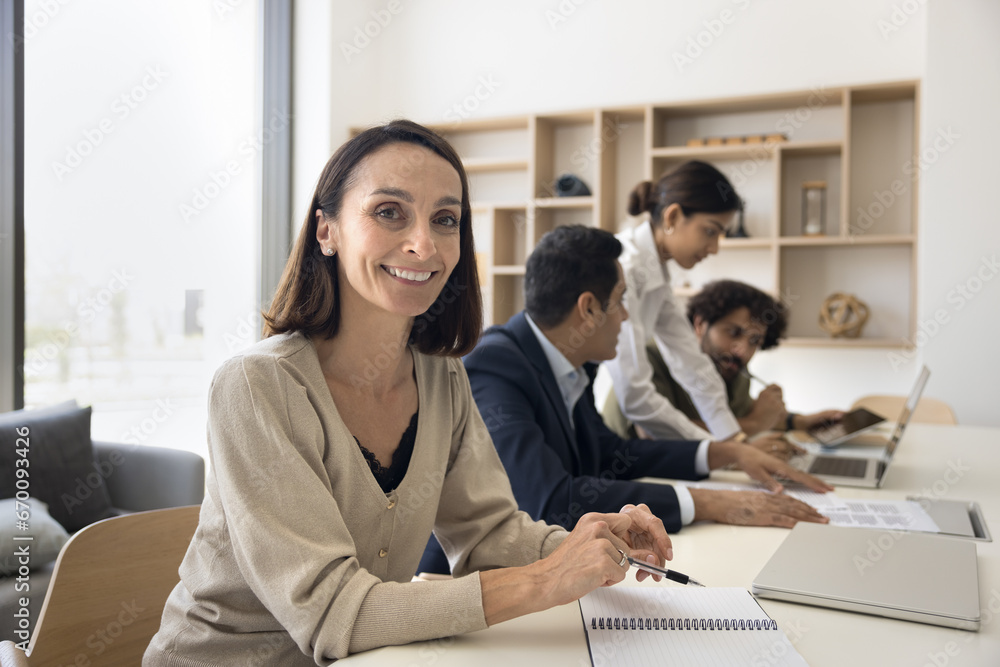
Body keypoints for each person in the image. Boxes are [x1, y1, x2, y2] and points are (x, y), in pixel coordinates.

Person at [144, 121, 673, 666]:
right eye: (389, 212)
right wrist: (543, 580)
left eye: (445, 220)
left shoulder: (442, 378)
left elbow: (487, 534)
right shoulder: (256, 387)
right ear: (326, 231)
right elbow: (331, 611)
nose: (423, 244)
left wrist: (585, 544)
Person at [419, 226, 831, 575]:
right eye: (620, 302)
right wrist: (706, 502)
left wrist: (723, 454)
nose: (626, 318)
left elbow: (608, 453)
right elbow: (548, 500)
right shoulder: (497, 365)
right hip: (460, 585)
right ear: (589, 308)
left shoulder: (569, 360)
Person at [605, 160, 748, 442]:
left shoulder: (656, 273)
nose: (715, 248)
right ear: (672, 217)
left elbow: (692, 364)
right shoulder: (627, 269)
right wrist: (716, 449)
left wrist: (734, 439)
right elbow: (635, 394)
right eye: (710, 231)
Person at [603, 279, 844, 439]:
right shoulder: (651, 357)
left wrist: (800, 422)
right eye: (734, 332)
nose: (742, 350)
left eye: (754, 341)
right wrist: (754, 424)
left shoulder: (733, 371)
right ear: (700, 324)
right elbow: (654, 433)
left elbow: (740, 413)